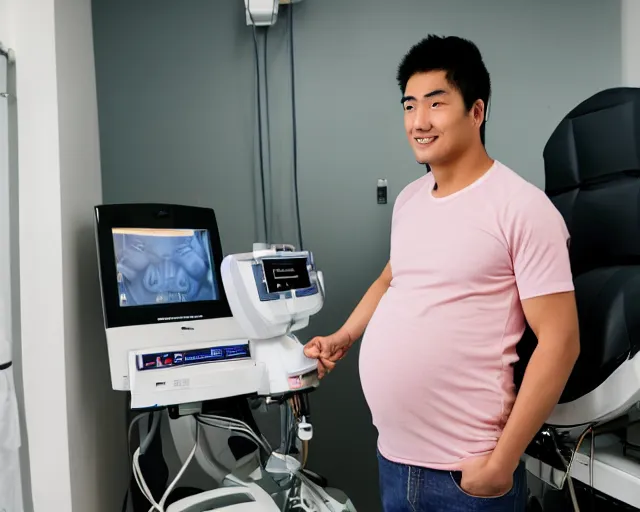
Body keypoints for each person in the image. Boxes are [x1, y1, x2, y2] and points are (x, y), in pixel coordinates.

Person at [303, 35, 580, 512]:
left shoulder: (523, 208)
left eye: (436, 103)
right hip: (394, 463)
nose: (419, 122)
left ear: (477, 111)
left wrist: (500, 464)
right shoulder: (410, 200)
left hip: (467, 477)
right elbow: (393, 279)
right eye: (410, 106)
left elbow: (561, 341)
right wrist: (345, 336)